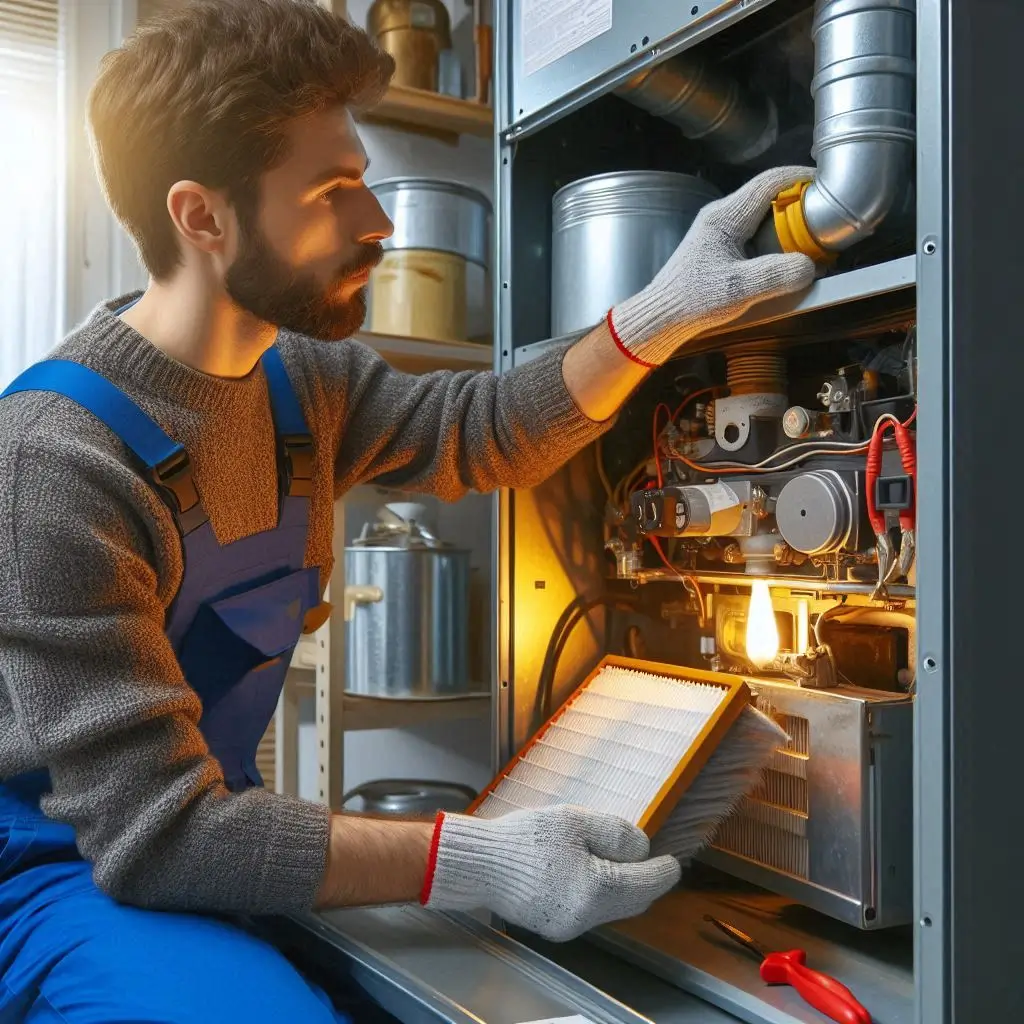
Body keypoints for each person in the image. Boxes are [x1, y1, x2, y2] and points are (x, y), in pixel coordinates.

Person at [0, 0, 816, 1020]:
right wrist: (479, 859)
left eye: (363, 179)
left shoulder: (303, 379)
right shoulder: (57, 460)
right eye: (332, 191)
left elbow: (480, 427)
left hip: (216, 821)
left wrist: (658, 319)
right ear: (201, 217)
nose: (378, 222)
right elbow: (155, 839)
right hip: (64, 866)